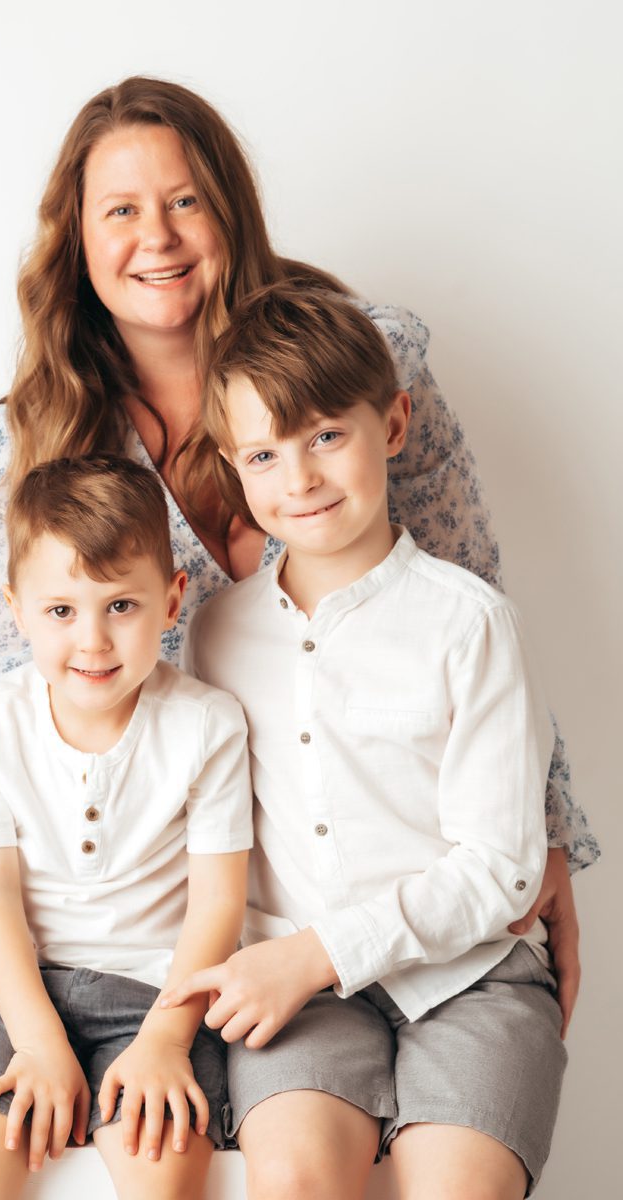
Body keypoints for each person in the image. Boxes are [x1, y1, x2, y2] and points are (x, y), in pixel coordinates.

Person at [0, 75, 596, 1047]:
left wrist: (541, 827)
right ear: (77, 239)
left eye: (184, 201)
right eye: (122, 210)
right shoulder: (35, 440)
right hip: (170, 911)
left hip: (393, 892)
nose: (159, 237)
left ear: (230, 210)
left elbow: (470, 594)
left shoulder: (355, 368)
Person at [167, 282, 567, 1198]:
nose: (299, 478)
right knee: (296, 1182)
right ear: (234, 466)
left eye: (325, 437)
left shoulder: (469, 623)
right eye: (264, 453)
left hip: (468, 978)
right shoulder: (218, 632)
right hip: (297, 993)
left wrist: (314, 954)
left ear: (392, 424)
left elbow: (503, 866)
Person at [0, 453, 252, 1198]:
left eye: (121, 606)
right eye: (61, 611)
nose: (93, 641)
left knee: (163, 1164)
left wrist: (167, 1039)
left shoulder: (207, 725)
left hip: (158, 995)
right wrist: (40, 1042)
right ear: (16, 610)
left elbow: (217, 905)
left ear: (172, 602)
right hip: (21, 988)